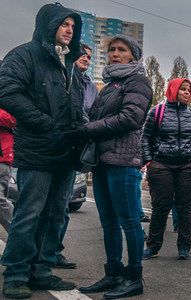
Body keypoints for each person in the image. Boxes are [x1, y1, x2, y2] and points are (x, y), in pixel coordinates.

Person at [0, 4, 86, 298]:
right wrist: (44, 122)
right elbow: (7, 92)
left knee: (56, 214)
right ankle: (15, 274)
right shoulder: (24, 55)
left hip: (65, 151)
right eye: (64, 24)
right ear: (48, 25)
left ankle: (41, 270)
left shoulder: (71, 62)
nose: (69, 30)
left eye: (73, 26)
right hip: (37, 149)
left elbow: (76, 104)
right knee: (29, 213)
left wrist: (82, 131)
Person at [64, 34, 151, 298]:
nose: (115, 53)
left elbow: (130, 118)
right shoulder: (111, 85)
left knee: (129, 222)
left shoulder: (138, 81)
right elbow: (94, 115)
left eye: (121, 49)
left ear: (132, 56)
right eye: (112, 49)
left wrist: (86, 130)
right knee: (109, 222)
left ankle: (134, 277)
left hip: (123, 161)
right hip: (102, 161)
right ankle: (113, 273)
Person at [141, 77, 191, 261]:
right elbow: (145, 138)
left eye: (189, 90)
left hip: (189, 165)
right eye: (183, 89)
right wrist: (149, 161)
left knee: (186, 207)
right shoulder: (157, 111)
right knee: (160, 207)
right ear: (173, 90)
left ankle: (184, 247)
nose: (187, 93)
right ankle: (153, 247)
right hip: (161, 165)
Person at [53, 43, 98, 271]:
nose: (86, 59)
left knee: (62, 205)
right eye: (82, 54)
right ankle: (32, 253)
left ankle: (54, 251)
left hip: (74, 150)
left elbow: (93, 114)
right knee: (39, 206)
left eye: (89, 57)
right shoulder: (60, 75)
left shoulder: (91, 86)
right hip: (51, 147)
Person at [0, 108, 14, 233]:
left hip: (2, 159)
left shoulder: (6, 95)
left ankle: (20, 237)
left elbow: (12, 120)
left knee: (0, 201)